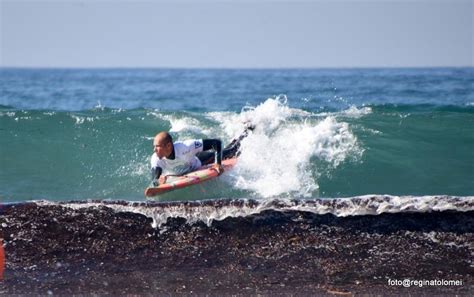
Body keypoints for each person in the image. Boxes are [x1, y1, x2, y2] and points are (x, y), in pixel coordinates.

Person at [150, 125, 253, 186]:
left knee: (231, 151)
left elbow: (216, 143)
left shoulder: (185, 147)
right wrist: (158, 182)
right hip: (189, 163)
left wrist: (218, 164)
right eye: (154, 146)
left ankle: (247, 131)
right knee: (228, 150)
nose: (154, 150)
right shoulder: (156, 159)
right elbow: (155, 178)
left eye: (157, 146)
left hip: (198, 161)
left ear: (168, 146)